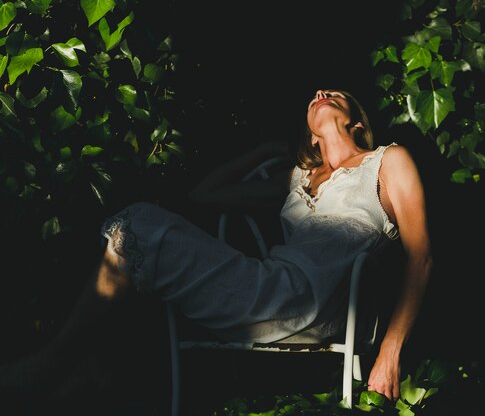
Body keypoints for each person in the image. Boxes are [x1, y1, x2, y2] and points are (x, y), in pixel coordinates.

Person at [0, 89, 432, 402]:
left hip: (309, 301)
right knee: (138, 228)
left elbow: (422, 256)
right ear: (309, 134)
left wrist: (389, 353)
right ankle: (88, 367)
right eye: (314, 97)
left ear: (355, 121)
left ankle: (56, 364)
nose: (319, 93)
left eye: (334, 95)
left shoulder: (388, 161)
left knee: (140, 224)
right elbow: (205, 195)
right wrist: (263, 150)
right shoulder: (298, 181)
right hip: (270, 291)